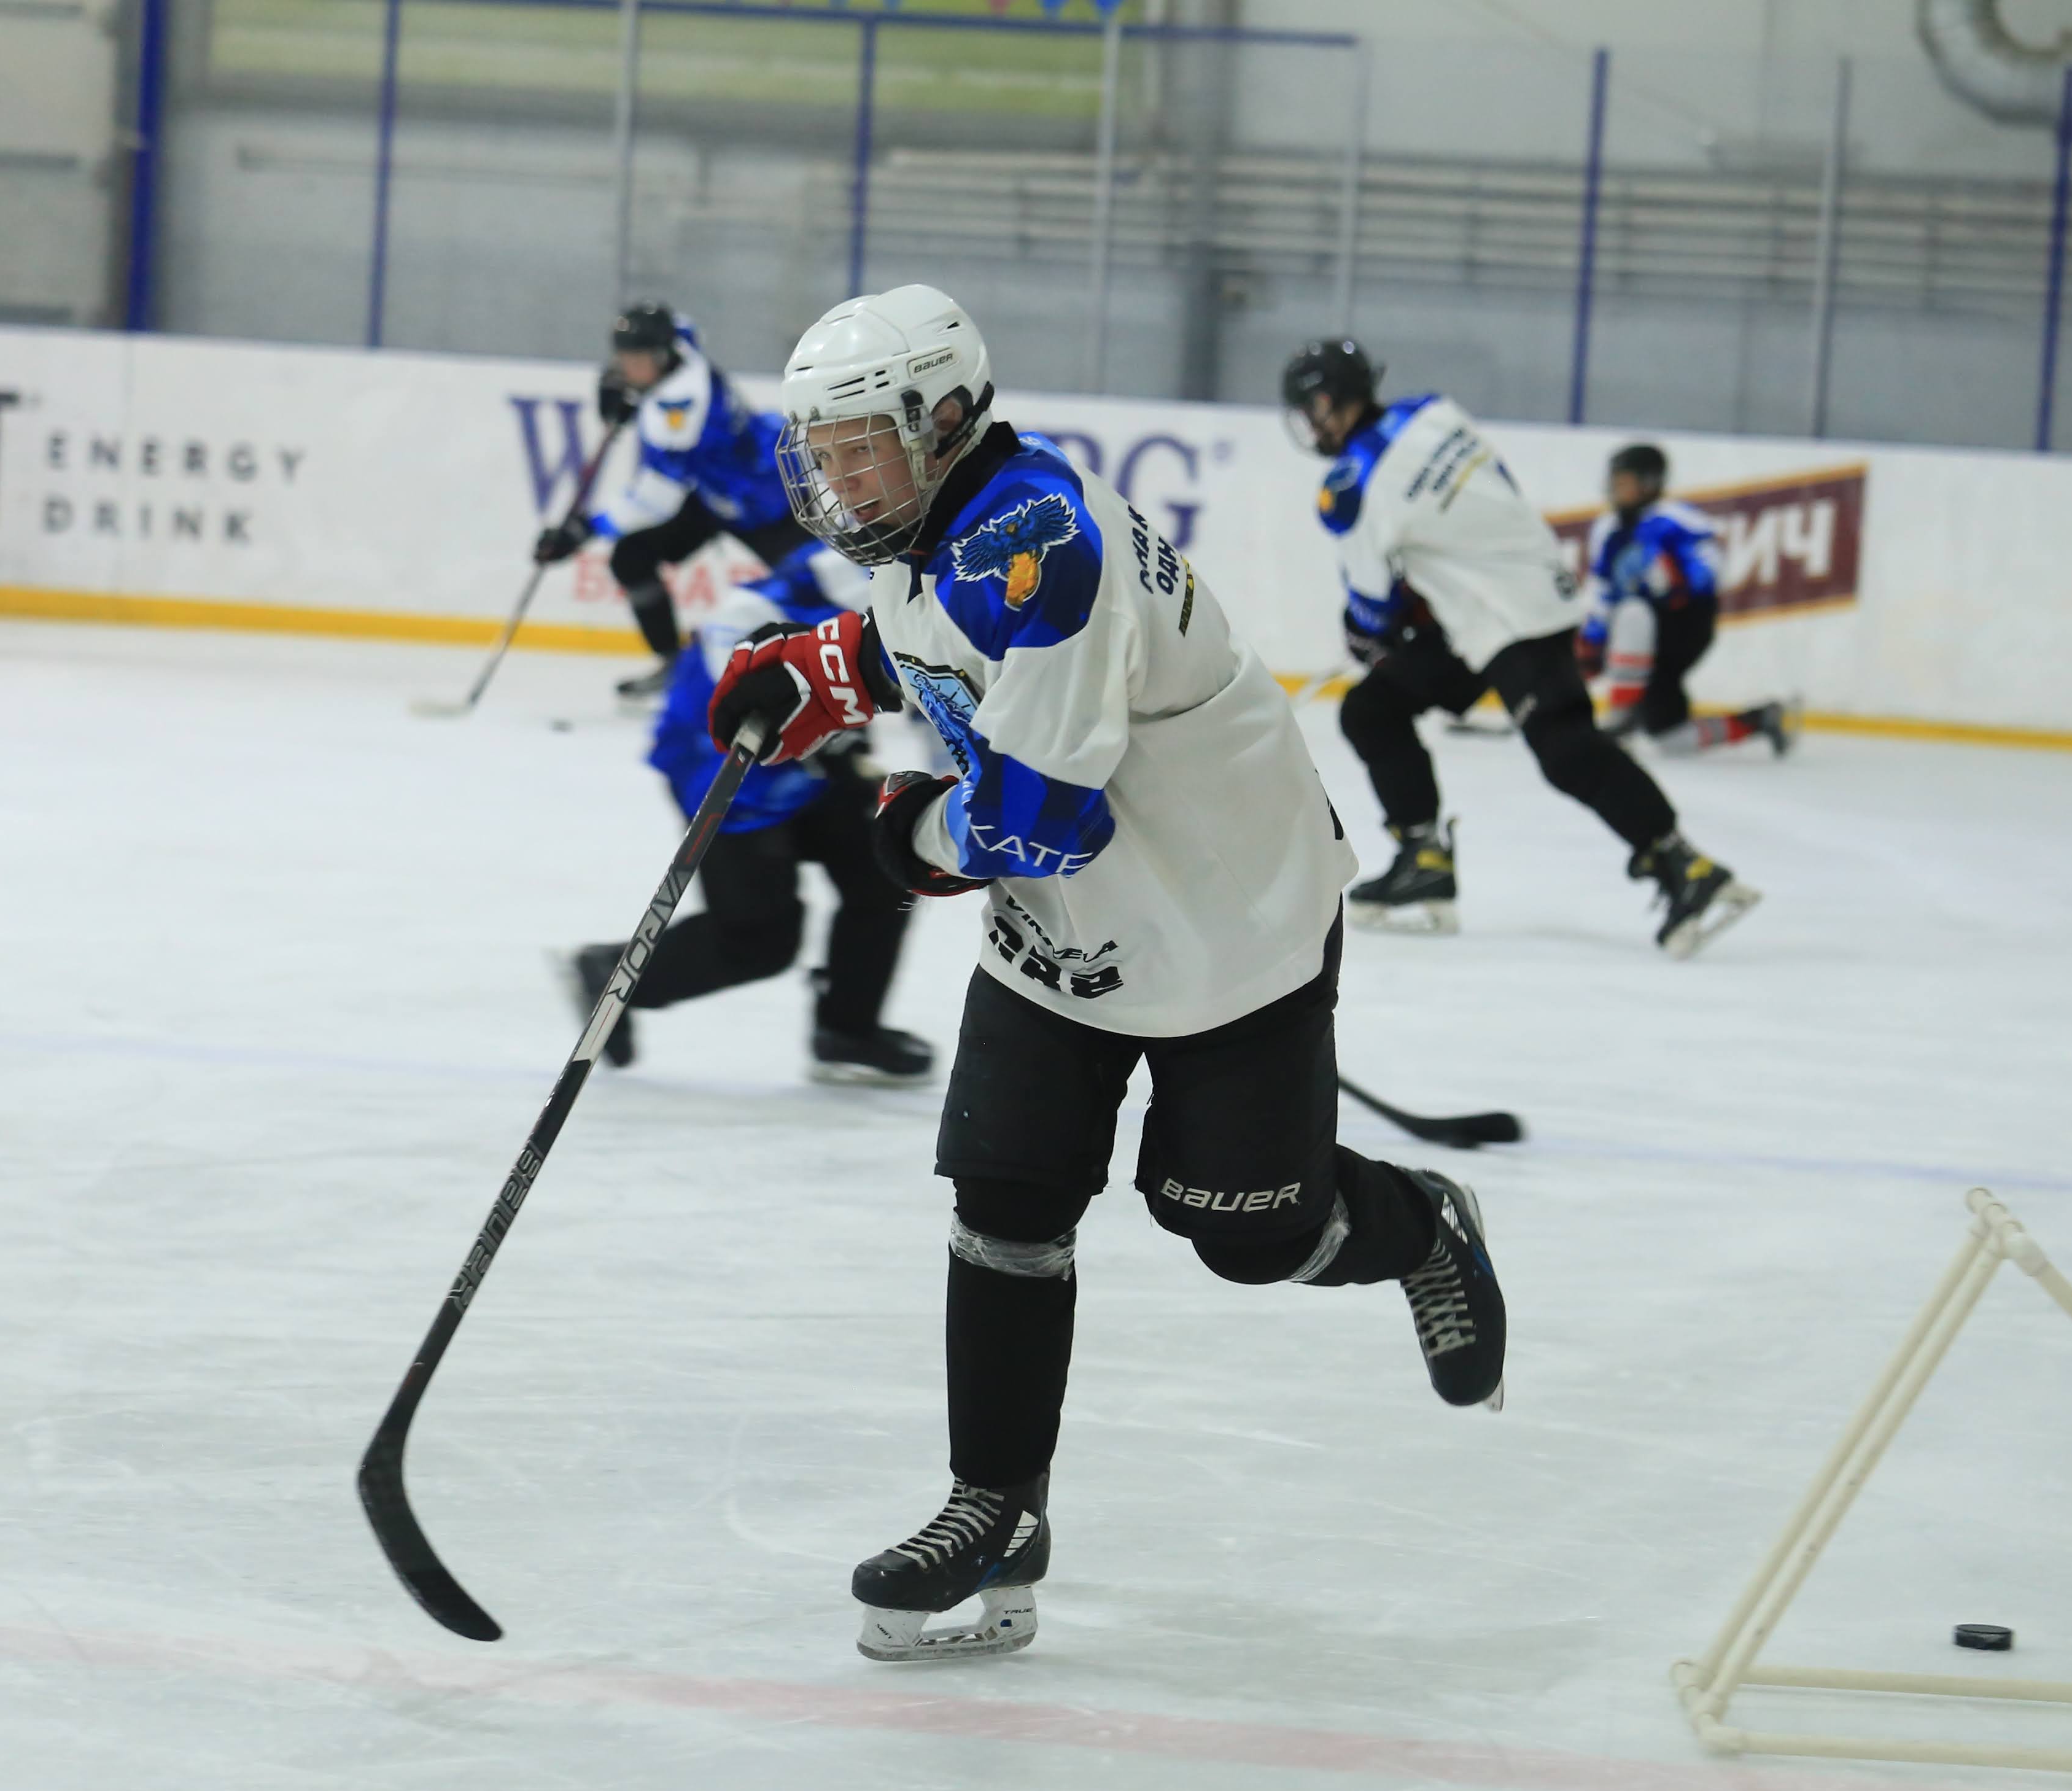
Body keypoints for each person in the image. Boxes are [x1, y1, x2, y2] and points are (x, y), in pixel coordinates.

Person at [707, 284, 1507, 1663]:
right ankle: (995, 1509)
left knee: (1245, 1229)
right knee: (1004, 1197)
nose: (836, 483)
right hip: (1064, 941)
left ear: (942, 420)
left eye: (859, 450)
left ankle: (1420, 1227)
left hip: (1225, 929)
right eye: (820, 454)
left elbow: (1033, 819)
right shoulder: (942, 523)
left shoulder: (1042, 549)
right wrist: (820, 672)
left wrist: (901, 834)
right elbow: (929, 634)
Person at [1280, 338, 1759, 958]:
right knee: (1373, 709)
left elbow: (1373, 605)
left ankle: (1684, 866)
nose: (1310, 424)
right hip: (1516, 594)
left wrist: (1369, 633)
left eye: (1310, 409)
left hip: (1504, 620)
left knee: (1565, 749)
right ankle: (1424, 859)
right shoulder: (1431, 412)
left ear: (1328, 403)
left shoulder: (1350, 487)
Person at [557, 539, 933, 1087]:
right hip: (727, 757)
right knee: (759, 938)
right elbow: (740, 635)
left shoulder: (918, 568)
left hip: (812, 748)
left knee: (881, 868)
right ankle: (612, 975)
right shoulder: (844, 580)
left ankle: (848, 1029)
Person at [533, 305, 809, 707]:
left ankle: (880, 666)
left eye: (638, 362)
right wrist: (630, 386)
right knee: (632, 558)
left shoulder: (677, 406)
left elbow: (655, 500)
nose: (628, 368)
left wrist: (586, 529)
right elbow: (681, 324)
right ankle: (675, 668)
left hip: (767, 501)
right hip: (713, 492)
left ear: (662, 356)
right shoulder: (682, 344)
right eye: (624, 359)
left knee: (816, 583)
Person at [1576, 443, 1788, 755]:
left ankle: (1622, 715)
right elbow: (1604, 591)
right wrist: (1593, 640)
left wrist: (1679, 580)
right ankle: (1758, 720)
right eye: (1614, 481)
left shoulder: (1678, 519)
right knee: (1670, 738)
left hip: (1683, 627)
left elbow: (1712, 567)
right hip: (1639, 642)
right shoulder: (1606, 529)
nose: (1615, 489)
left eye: (1624, 482)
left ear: (1649, 483)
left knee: (1635, 611)